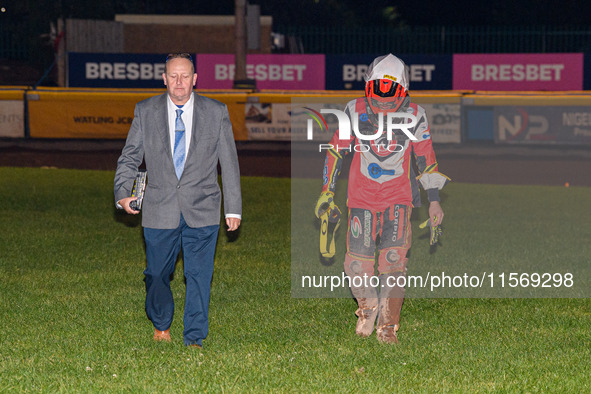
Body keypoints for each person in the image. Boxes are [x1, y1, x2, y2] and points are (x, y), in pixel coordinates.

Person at [314, 54, 448, 344]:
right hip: (361, 197)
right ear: (368, 87)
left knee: (393, 262)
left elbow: (426, 159)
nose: (385, 101)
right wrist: (327, 191)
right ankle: (367, 309)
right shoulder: (353, 110)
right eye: (379, 93)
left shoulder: (416, 114)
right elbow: (335, 151)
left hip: (398, 198)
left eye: (392, 95)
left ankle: (388, 328)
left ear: (404, 90)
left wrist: (434, 200)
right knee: (356, 264)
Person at [114, 53, 242, 348]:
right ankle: (161, 321)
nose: (179, 82)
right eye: (173, 76)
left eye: (185, 76)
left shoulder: (216, 111)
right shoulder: (146, 110)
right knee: (157, 273)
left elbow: (229, 163)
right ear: (164, 78)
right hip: (159, 207)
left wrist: (233, 208)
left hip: (204, 208)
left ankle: (194, 337)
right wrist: (122, 192)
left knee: (199, 275)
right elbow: (130, 156)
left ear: (195, 79)